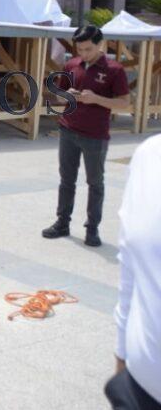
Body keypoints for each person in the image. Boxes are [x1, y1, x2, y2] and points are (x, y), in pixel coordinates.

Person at [42, 25, 129, 247]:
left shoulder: (114, 69)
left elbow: (124, 103)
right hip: (68, 130)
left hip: (95, 135)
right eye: (79, 49)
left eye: (88, 49)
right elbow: (58, 95)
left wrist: (97, 99)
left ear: (101, 44)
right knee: (66, 180)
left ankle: (92, 228)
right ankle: (62, 223)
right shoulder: (72, 64)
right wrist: (66, 95)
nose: (83, 53)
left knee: (95, 183)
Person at [107, 134, 161, 409]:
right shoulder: (148, 157)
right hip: (138, 391)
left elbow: (122, 101)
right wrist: (121, 355)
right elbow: (130, 267)